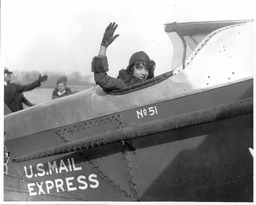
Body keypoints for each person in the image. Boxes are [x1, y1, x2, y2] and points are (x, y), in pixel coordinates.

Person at [91, 22, 156, 92]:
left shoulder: (151, 86)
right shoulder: (124, 84)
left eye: (146, 69)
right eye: (139, 68)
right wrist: (104, 46)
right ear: (131, 69)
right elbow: (101, 79)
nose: (144, 73)